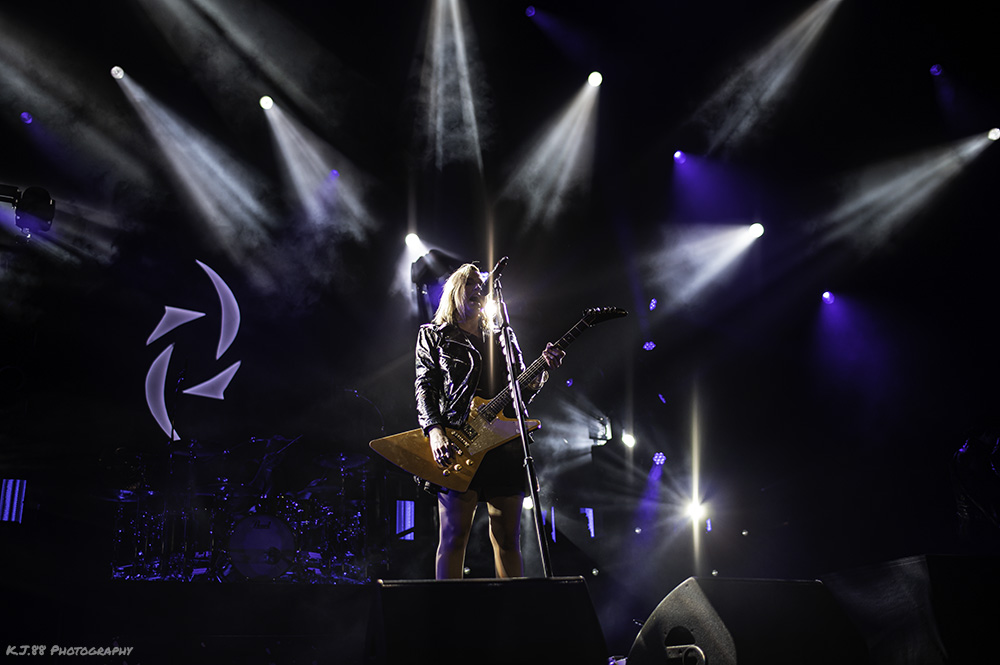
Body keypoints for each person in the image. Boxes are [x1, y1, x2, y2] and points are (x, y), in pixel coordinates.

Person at [415, 263, 564, 579]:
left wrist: (543, 369)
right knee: (454, 537)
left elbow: (522, 391)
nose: (478, 290)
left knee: (508, 540)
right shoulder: (433, 336)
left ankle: (512, 618)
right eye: (470, 283)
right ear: (456, 289)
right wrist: (435, 431)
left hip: (504, 445)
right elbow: (424, 386)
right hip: (459, 440)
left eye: (481, 286)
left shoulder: (502, 335)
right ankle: (450, 619)